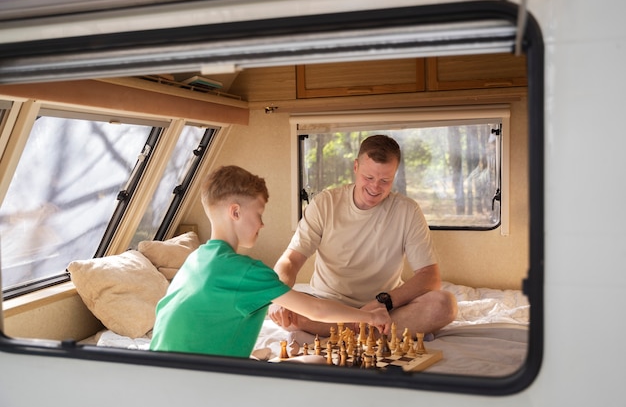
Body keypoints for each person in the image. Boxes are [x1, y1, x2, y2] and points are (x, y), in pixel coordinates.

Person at [150, 165, 391, 358]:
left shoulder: (195, 258)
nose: (262, 224)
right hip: (199, 387)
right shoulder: (246, 271)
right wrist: (371, 317)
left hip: (157, 373)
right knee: (318, 365)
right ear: (235, 212)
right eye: (259, 214)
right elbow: (316, 309)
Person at [269, 135, 458, 338]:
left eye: (385, 180)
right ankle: (371, 331)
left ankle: (357, 330)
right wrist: (278, 296)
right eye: (369, 178)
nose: (375, 187)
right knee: (288, 313)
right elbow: (290, 260)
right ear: (356, 167)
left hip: (384, 308)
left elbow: (430, 277)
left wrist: (382, 302)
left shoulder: (408, 210)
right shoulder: (325, 204)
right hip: (328, 308)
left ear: (394, 175)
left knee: (444, 305)